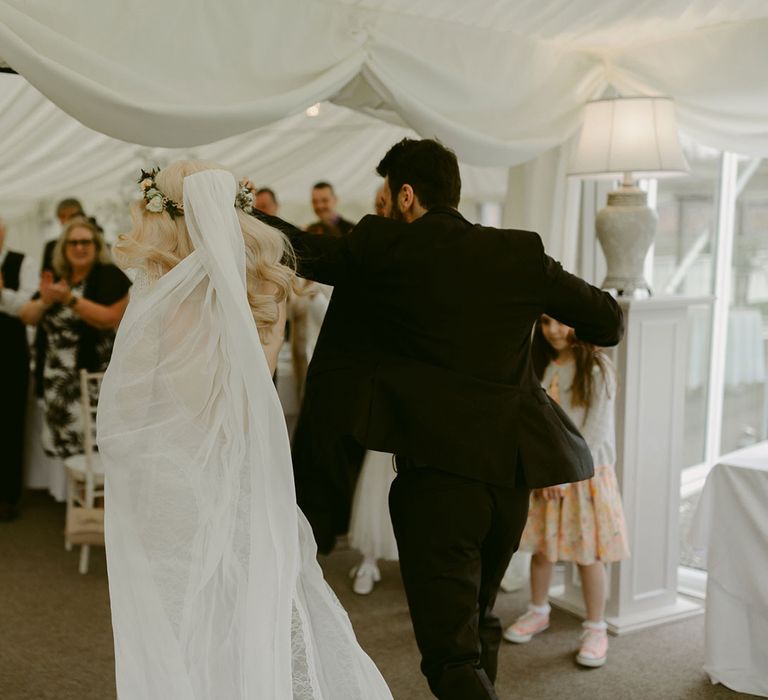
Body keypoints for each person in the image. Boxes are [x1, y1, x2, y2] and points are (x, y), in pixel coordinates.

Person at [253, 137, 624, 700]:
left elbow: (299, 249)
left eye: (385, 194)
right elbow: (607, 321)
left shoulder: (384, 249)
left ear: (405, 195)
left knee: (450, 658)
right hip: (509, 477)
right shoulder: (519, 254)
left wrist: (227, 208)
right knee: (480, 617)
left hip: (439, 480)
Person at [96, 161, 392, 699]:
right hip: (247, 477)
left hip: (173, 485)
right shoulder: (264, 293)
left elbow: (127, 414)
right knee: (255, 605)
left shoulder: (157, 303)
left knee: (184, 618)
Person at [503, 315, 629, 667]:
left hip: (584, 477)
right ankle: (538, 610)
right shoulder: (541, 364)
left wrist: (564, 475)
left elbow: (596, 431)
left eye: (562, 322)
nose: (554, 330)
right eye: (545, 322)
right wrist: (541, 472)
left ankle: (596, 627)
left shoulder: (597, 368)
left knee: (588, 556)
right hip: (547, 477)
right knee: (542, 550)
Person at [19, 217, 130, 460]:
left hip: (93, 381)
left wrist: (70, 299)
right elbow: (27, 316)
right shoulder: (60, 277)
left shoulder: (110, 276)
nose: (80, 248)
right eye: (73, 243)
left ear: (97, 245)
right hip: (58, 382)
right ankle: (76, 496)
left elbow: (110, 318)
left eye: (86, 242)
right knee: (68, 451)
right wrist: (45, 301)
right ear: (63, 247)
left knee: (98, 452)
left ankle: (97, 500)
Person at [0, 218, 37, 521]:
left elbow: (28, 307)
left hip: (9, 352)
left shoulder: (22, 262)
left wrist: (1, 294)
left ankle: (8, 496)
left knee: (10, 422)